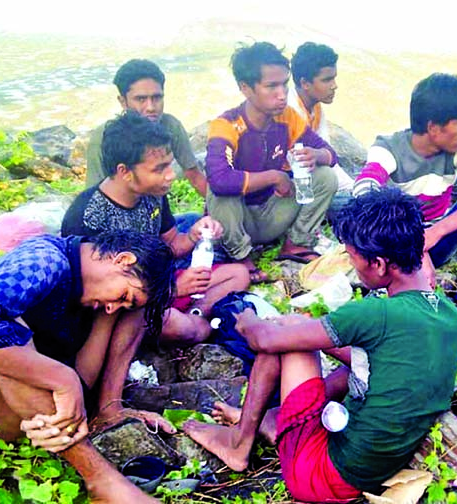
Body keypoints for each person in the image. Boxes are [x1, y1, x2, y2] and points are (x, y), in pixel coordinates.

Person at [182, 188, 457, 502]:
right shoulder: (449, 314)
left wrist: (247, 318)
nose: (352, 267)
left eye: (354, 259)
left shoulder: (376, 313)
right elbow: (378, 360)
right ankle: (273, 419)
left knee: (286, 337)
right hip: (373, 470)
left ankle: (239, 444)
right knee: (329, 345)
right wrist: (312, 334)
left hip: (319, 476)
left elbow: (263, 339)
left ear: (381, 265)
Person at [0, 230, 177, 504]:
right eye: (122, 294)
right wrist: (61, 378)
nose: (111, 308)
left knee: (135, 311)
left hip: (48, 407)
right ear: (123, 260)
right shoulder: (46, 260)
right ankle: (99, 480)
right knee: (9, 328)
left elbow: (124, 309)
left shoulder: (96, 292)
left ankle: (108, 410)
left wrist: (81, 390)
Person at [64, 112, 250, 346]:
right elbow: (95, 300)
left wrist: (193, 235)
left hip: (161, 284)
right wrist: (172, 290)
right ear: (124, 172)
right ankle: (196, 326)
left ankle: (196, 313)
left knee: (238, 274)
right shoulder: (89, 217)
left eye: (169, 165)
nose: (171, 175)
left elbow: (171, 244)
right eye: (159, 168)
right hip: (126, 305)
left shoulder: (152, 194)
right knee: (176, 326)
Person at [353, 73, 457, 316]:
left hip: (435, 238)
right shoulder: (388, 149)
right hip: (395, 247)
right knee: (370, 211)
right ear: (433, 127)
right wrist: (415, 247)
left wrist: (435, 233)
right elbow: (363, 191)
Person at [205, 41, 339, 283]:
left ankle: (296, 243)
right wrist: (274, 177)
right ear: (245, 88)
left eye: (284, 84)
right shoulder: (226, 125)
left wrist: (315, 155)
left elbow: (330, 154)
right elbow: (219, 179)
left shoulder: (287, 118)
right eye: (271, 86)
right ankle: (241, 256)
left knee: (325, 177)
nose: (282, 94)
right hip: (237, 219)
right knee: (219, 193)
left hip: (272, 211)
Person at [86, 59, 207, 197]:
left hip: (156, 209)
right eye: (141, 99)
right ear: (123, 102)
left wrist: (216, 212)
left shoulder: (171, 126)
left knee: (194, 218)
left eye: (156, 98)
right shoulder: (104, 137)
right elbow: (93, 195)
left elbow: (194, 175)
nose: (151, 107)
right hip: (121, 211)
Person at [289, 41, 354, 192]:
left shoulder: (316, 108)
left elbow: (327, 153)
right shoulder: (288, 109)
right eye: (327, 80)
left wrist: (353, 188)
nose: (334, 85)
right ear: (305, 83)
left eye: (334, 78)